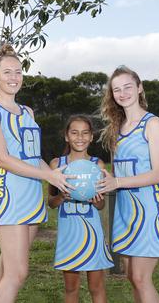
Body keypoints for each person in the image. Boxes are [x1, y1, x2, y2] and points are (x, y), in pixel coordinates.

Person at [0, 44, 75, 303]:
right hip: (10, 195)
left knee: (7, 269)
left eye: (18, 72)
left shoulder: (28, 112)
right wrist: (48, 177)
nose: (13, 77)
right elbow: (2, 158)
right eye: (7, 72)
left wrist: (57, 175)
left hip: (32, 195)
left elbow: (34, 158)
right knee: (18, 273)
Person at [97, 65, 159, 303]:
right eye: (117, 89)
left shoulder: (152, 124)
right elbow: (115, 174)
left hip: (149, 208)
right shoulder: (117, 129)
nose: (123, 93)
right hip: (126, 211)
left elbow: (158, 174)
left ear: (140, 88)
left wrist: (117, 181)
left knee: (142, 278)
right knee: (132, 277)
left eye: (128, 87)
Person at [48, 115, 113, 303]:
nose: (80, 137)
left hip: (92, 233)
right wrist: (61, 197)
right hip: (69, 235)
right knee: (71, 288)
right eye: (74, 133)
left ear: (91, 137)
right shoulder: (56, 165)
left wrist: (96, 200)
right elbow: (51, 202)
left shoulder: (97, 165)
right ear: (67, 136)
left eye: (85, 133)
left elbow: (101, 205)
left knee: (96, 287)